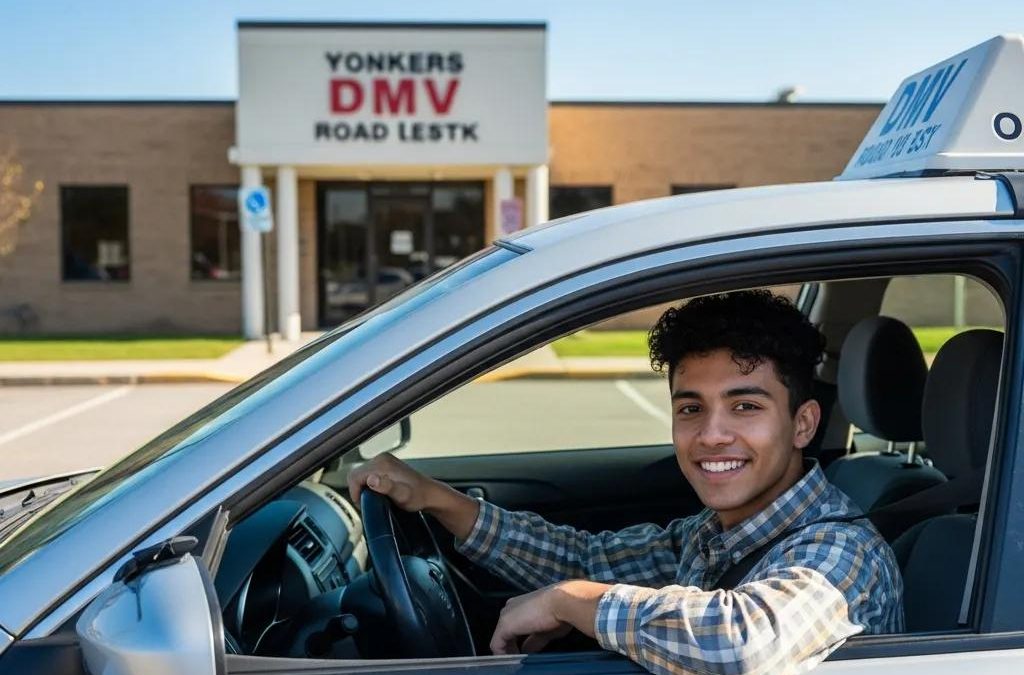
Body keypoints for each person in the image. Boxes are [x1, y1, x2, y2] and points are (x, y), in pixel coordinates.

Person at [348, 290, 904, 674]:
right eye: (691, 408)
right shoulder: (713, 535)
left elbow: (742, 645)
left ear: (802, 423)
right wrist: (438, 500)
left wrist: (571, 603)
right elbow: (582, 559)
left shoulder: (840, 550)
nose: (711, 435)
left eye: (745, 406)